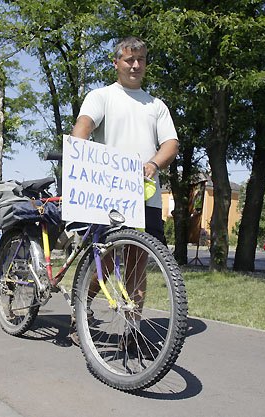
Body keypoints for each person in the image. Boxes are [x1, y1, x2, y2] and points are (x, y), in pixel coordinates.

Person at [69, 36, 179, 356]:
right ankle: (82, 313)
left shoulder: (156, 105)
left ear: (146, 63)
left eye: (141, 59)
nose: (135, 65)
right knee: (103, 261)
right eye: (129, 59)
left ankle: (132, 330)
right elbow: (83, 126)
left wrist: (154, 163)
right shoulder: (101, 96)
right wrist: (80, 151)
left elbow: (170, 144)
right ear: (116, 62)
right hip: (109, 194)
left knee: (136, 265)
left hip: (145, 197)